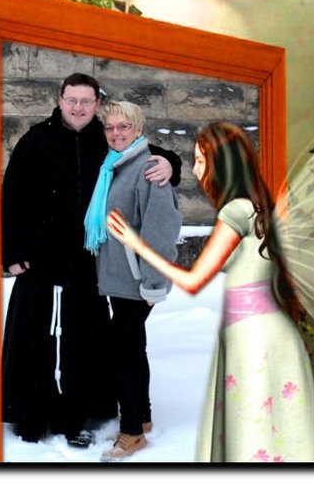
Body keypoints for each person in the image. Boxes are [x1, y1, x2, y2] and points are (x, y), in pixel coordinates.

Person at [107, 122, 314, 462]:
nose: (194, 170)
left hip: (253, 336)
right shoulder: (258, 204)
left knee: (250, 432)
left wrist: (135, 243)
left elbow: (194, 280)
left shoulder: (236, 211)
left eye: (200, 161)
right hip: (263, 329)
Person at [1, 73, 182, 447]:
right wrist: (13, 254)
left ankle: (80, 413)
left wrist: (170, 163)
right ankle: (33, 413)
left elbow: (147, 153)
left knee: (84, 343)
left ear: (97, 103)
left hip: (90, 263)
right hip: (42, 261)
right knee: (36, 340)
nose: (78, 107)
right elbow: (13, 198)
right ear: (60, 99)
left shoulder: (107, 137)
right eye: (72, 99)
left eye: (86, 101)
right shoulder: (35, 140)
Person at [84, 100, 182, 462]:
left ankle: (131, 433)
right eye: (110, 127)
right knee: (132, 347)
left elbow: (161, 230)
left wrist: (153, 284)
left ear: (139, 130)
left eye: (124, 127)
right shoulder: (114, 165)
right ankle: (142, 416)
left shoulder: (148, 169)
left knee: (121, 352)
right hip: (119, 278)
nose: (116, 133)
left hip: (138, 280)